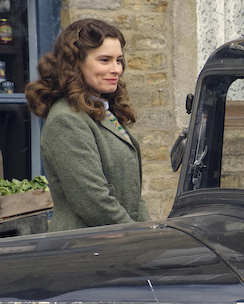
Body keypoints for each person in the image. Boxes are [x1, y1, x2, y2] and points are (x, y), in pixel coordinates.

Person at [25, 19, 150, 231]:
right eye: (104, 60)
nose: (116, 69)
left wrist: (151, 233)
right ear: (76, 63)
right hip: (85, 249)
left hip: (119, 244)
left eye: (119, 60)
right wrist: (137, 236)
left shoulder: (100, 111)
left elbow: (132, 195)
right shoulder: (66, 120)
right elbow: (94, 203)